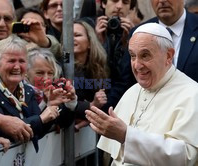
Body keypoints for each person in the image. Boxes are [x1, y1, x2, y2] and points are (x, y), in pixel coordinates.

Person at [85, 23, 198, 165]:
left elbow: (185, 157)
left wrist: (126, 135)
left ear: (168, 56)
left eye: (145, 55)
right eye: (133, 56)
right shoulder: (132, 91)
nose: (137, 65)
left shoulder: (192, 94)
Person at [0, 35, 59, 152]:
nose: (17, 67)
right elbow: (0, 131)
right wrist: (41, 119)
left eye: (22, 61)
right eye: (11, 61)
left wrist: (50, 106)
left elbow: (36, 132)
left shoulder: (27, 90)